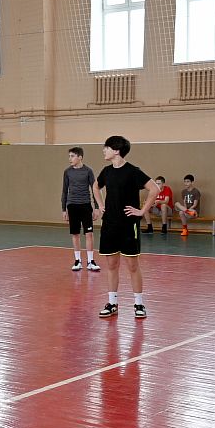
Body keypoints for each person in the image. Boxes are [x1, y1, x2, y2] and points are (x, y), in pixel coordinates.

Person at [93, 136, 159, 318]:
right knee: (111, 264)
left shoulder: (133, 171)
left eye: (106, 147)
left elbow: (154, 189)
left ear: (116, 150)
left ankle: (139, 304)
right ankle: (112, 303)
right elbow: (96, 187)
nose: (104, 150)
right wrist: (100, 205)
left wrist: (142, 211)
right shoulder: (106, 171)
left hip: (129, 224)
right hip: (110, 223)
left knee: (132, 265)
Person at [62, 147, 101, 271]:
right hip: (72, 206)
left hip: (85, 205)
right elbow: (64, 191)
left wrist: (96, 208)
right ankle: (77, 261)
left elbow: (94, 189)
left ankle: (91, 261)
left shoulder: (88, 171)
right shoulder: (67, 172)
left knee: (89, 233)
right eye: (69, 156)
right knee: (75, 233)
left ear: (80, 157)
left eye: (72, 156)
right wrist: (64, 209)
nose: (70, 159)